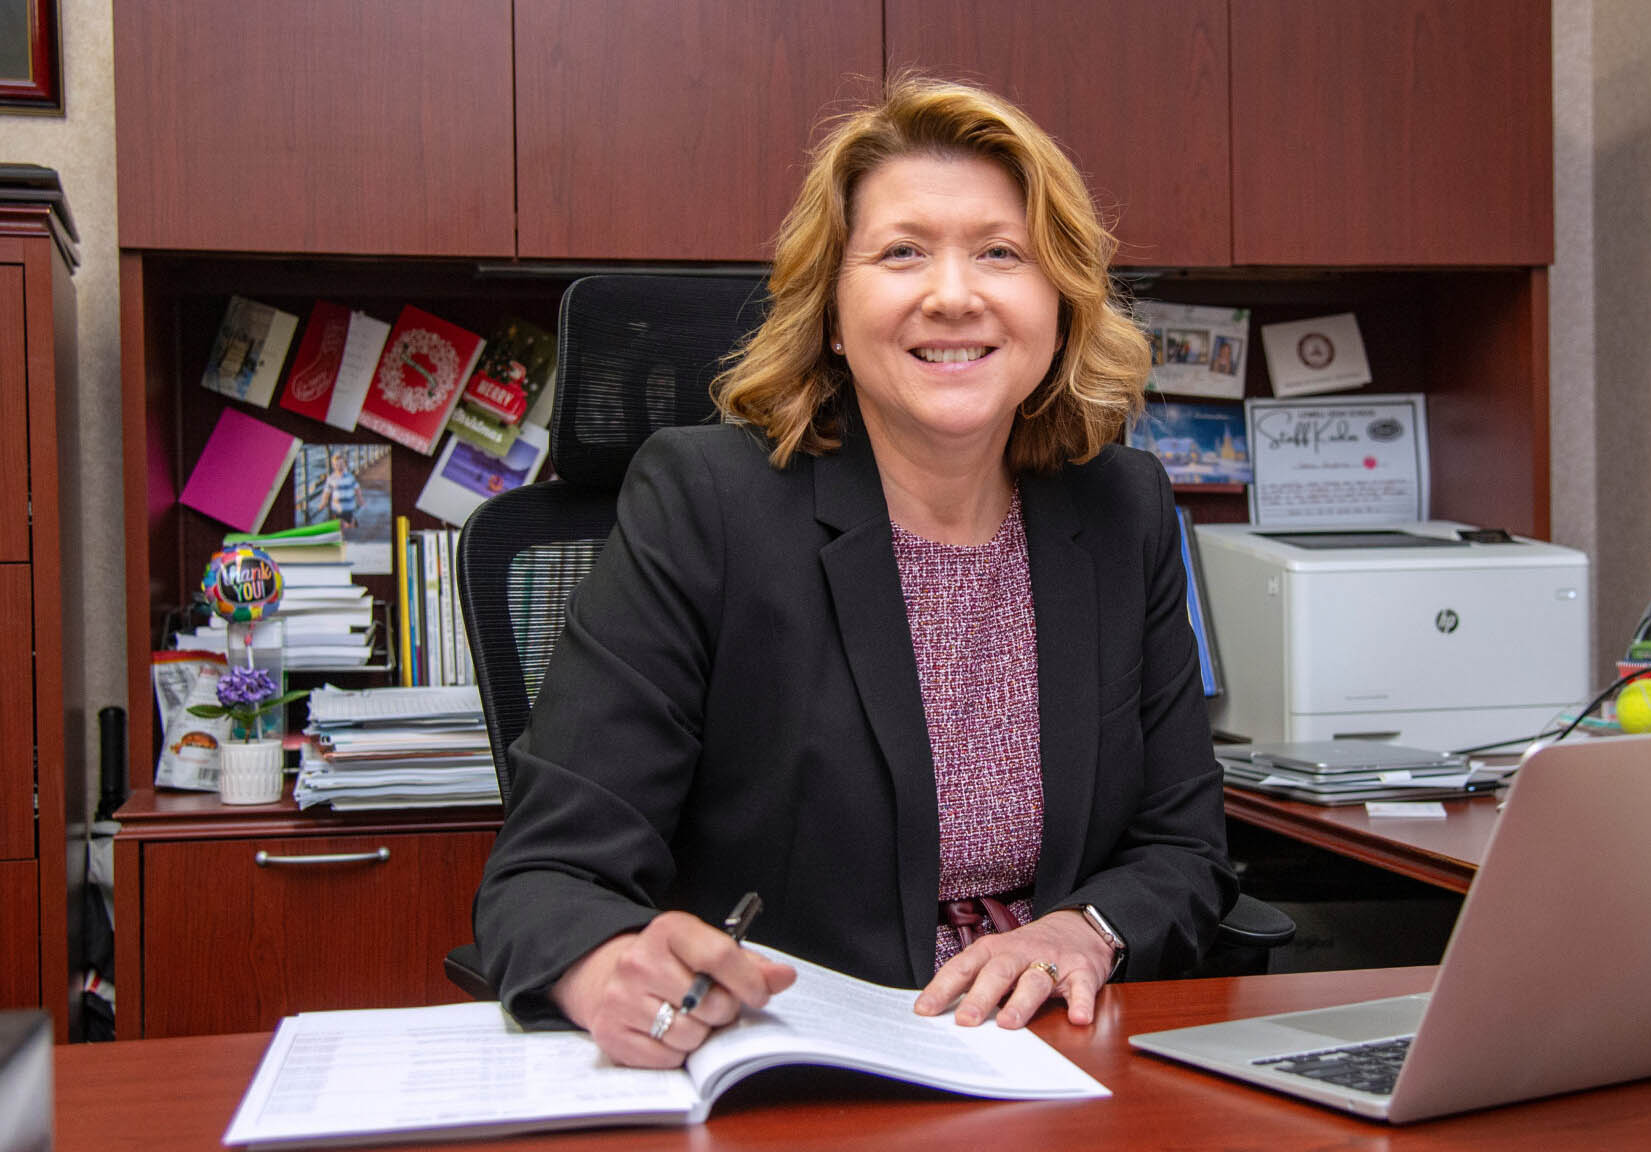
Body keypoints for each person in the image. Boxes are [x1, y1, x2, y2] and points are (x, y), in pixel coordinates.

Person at [473, 75, 1236, 1069]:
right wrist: (605, 963)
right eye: (901, 252)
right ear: (833, 312)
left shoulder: (1119, 506)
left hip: (1060, 1057)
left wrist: (1083, 929)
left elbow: (1184, 849)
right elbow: (545, 876)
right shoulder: (707, 503)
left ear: (1058, 306)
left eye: (1001, 254)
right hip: (799, 1062)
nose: (953, 294)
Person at [321, 450, 359, 529]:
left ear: (345, 465)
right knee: (339, 526)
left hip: (349, 506)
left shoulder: (350, 477)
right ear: (333, 466)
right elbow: (326, 492)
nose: (339, 466)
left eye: (341, 464)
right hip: (336, 507)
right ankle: (342, 533)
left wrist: (360, 499)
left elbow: (356, 488)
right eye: (336, 464)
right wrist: (323, 502)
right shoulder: (331, 478)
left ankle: (352, 523)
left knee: (349, 525)